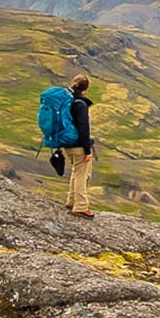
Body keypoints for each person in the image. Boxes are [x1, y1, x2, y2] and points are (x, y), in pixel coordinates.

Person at [64, 73, 95, 218]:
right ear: (85, 89)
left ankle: (71, 201)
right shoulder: (81, 104)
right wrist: (87, 150)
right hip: (78, 145)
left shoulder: (67, 101)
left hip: (67, 143)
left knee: (76, 172)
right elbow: (83, 129)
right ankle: (81, 206)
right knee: (82, 175)